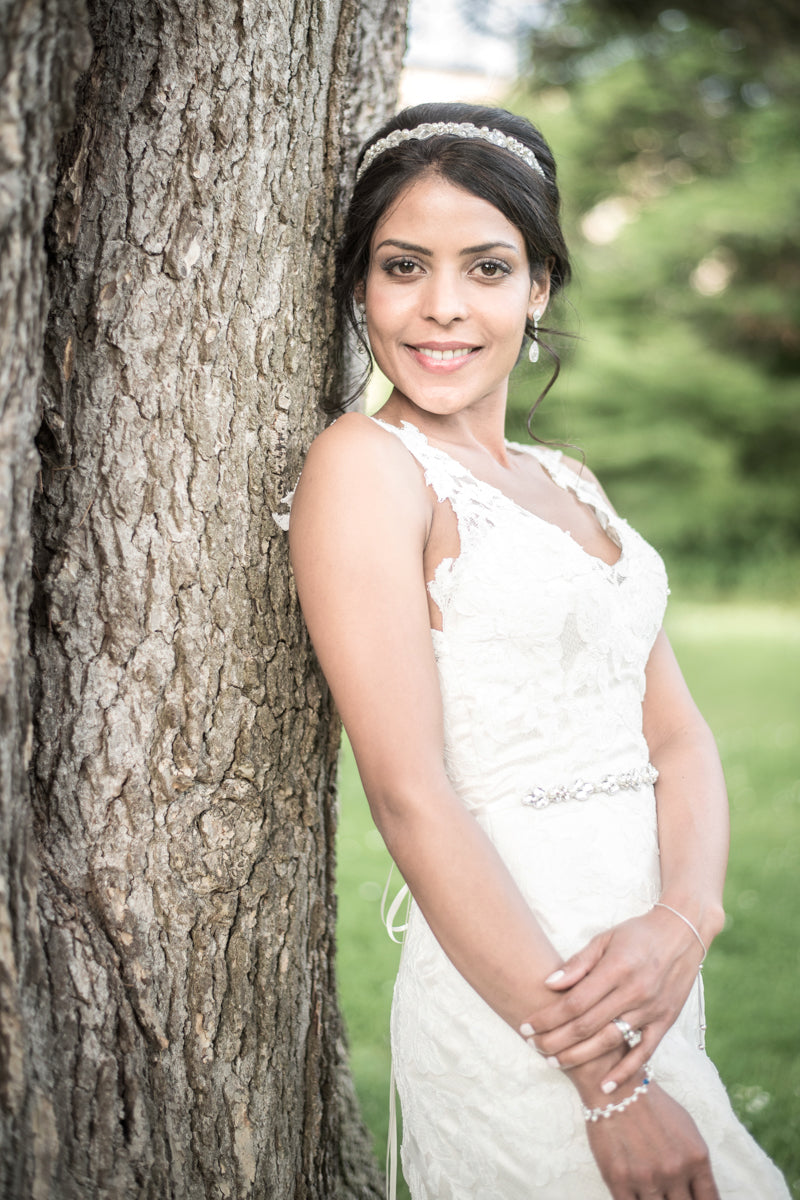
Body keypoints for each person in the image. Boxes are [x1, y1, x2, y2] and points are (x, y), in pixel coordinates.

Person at [289, 102, 790, 1200]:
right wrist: (606, 1088)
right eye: (402, 266)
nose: (441, 308)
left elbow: (675, 733)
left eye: (487, 266)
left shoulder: (567, 480)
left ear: (539, 286)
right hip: (524, 992)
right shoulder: (365, 468)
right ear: (358, 289)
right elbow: (409, 791)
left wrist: (684, 920)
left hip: (651, 969)